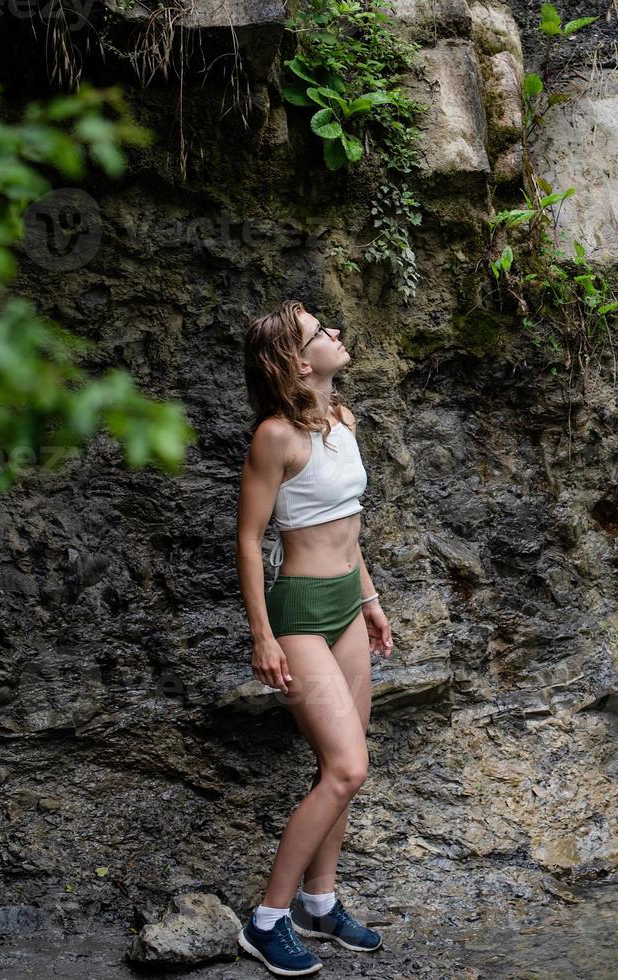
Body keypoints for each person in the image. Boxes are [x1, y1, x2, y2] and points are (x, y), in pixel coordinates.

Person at [233, 300, 394, 976]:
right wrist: (262, 636)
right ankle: (266, 920)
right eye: (319, 333)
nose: (335, 334)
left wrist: (371, 601)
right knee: (346, 767)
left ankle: (319, 905)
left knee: (344, 770)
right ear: (299, 363)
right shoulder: (275, 437)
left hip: (346, 611)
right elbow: (248, 539)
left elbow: (346, 528)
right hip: (298, 612)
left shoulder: (342, 421)